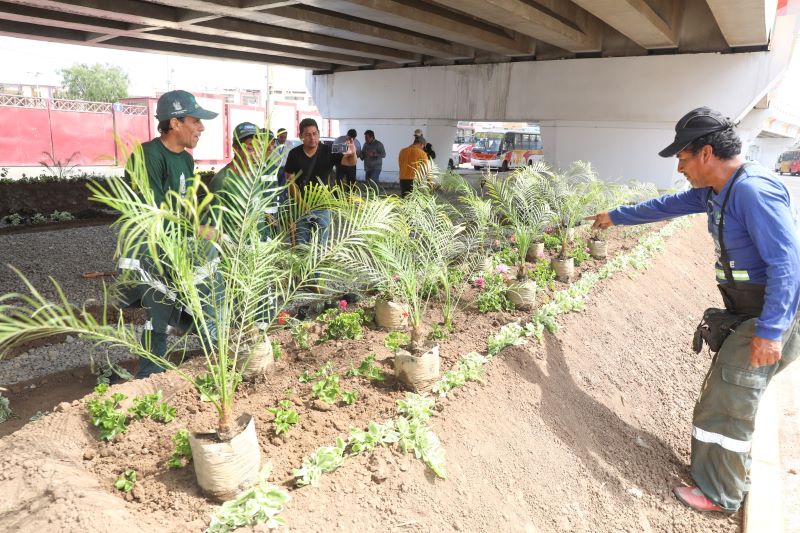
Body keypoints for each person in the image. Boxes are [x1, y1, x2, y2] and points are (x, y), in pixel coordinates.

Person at [589, 106, 800, 514]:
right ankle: (730, 476)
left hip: (771, 314)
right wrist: (614, 216)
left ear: (706, 153)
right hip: (751, 310)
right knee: (731, 396)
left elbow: (787, 265)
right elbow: (666, 206)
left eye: (683, 159)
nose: (680, 167)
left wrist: (771, 331)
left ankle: (720, 495)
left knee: (728, 401)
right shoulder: (716, 190)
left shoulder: (753, 191)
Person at [115, 90, 219, 379]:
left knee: (201, 290)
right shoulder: (147, 156)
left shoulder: (185, 160)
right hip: (149, 248)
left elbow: (185, 207)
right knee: (158, 310)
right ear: (175, 123)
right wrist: (196, 230)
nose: (201, 127)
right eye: (195, 120)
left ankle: (210, 346)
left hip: (175, 244)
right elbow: (153, 211)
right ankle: (149, 376)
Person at [284, 117, 353, 244]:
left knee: (321, 246)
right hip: (301, 207)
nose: (312, 137)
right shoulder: (294, 154)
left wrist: (352, 153)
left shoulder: (328, 150)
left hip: (323, 206)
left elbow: (349, 162)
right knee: (301, 245)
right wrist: (301, 203)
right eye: (308, 135)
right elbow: (290, 182)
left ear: (319, 133)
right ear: (301, 136)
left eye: (315, 133)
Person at [209, 122, 280, 241]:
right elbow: (214, 228)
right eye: (251, 148)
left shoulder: (256, 175)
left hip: (259, 247)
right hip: (237, 252)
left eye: (260, 148)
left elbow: (256, 206)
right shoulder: (222, 181)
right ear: (236, 148)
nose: (257, 154)